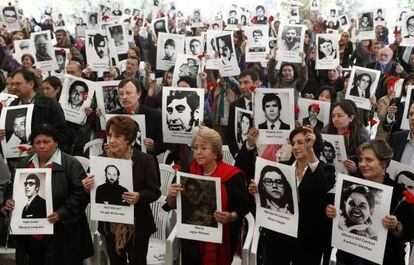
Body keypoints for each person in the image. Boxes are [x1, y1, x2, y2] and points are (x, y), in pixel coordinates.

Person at [244, 126, 335, 264]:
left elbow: (322, 184)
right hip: (279, 235)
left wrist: (310, 151)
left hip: (308, 240)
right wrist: (259, 190)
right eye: (293, 143)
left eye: (301, 142)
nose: (295, 147)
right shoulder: (282, 167)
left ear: (312, 142)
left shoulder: (326, 169)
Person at [5, 123, 94, 265]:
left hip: (63, 233)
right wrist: (10, 200)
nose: (41, 146)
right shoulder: (24, 163)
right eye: (37, 142)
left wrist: (62, 213)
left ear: (56, 143)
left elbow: (81, 195)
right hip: (30, 233)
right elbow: (12, 187)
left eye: (46, 142)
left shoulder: (71, 164)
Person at [165, 126, 250, 265]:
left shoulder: (233, 176)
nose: (198, 152)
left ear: (216, 152)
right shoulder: (186, 172)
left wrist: (231, 216)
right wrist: (171, 195)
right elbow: (171, 205)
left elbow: (244, 207)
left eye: (204, 148)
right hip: (192, 239)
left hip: (222, 237)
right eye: (195, 148)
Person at [82, 116, 160, 265]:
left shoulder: (145, 160)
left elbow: (155, 191)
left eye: (117, 136)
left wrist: (139, 196)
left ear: (129, 138)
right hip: (109, 226)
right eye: (109, 135)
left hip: (138, 227)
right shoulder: (99, 161)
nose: (111, 140)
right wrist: (86, 188)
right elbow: (90, 194)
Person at [326, 140, 414, 265]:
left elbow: (408, 234)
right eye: (361, 159)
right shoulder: (350, 185)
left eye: (369, 160)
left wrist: (395, 225)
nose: (362, 164)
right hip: (347, 257)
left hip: (384, 259)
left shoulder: (399, 193)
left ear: (384, 163)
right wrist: (332, 213)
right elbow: (340, 221)